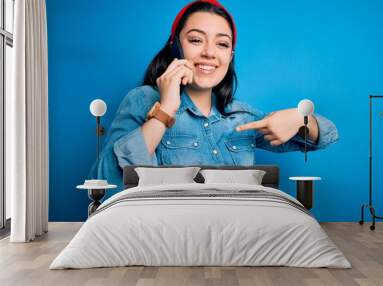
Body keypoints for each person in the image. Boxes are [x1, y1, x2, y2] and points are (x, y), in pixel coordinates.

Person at [89, 0, 338, 188]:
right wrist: (166, 109)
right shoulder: (143, 100)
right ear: (175, 45)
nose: (210, 53)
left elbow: (327, 135)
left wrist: (299, 118)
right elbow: (104, 182)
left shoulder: (242, 117)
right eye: (196, 40)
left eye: (222, 44)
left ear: (230, 56)